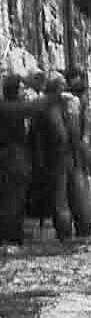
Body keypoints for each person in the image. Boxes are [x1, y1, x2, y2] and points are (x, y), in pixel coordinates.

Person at [32, 72, 91, 239]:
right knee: (78, 193)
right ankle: (83, 230)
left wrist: (39, 162)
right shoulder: (74, 103)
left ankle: (65, 235)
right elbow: (82, 130)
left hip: (55, 156)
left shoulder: (42, 106)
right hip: (74, 155)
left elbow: (37, 137)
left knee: (60, 199)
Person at [0, 74, 33, 244]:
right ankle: (13, 237)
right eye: (21, 88)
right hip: (15, 158)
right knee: (15, 199)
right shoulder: (18, 109)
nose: (23, 91)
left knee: (7, 199)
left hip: (7, 157)